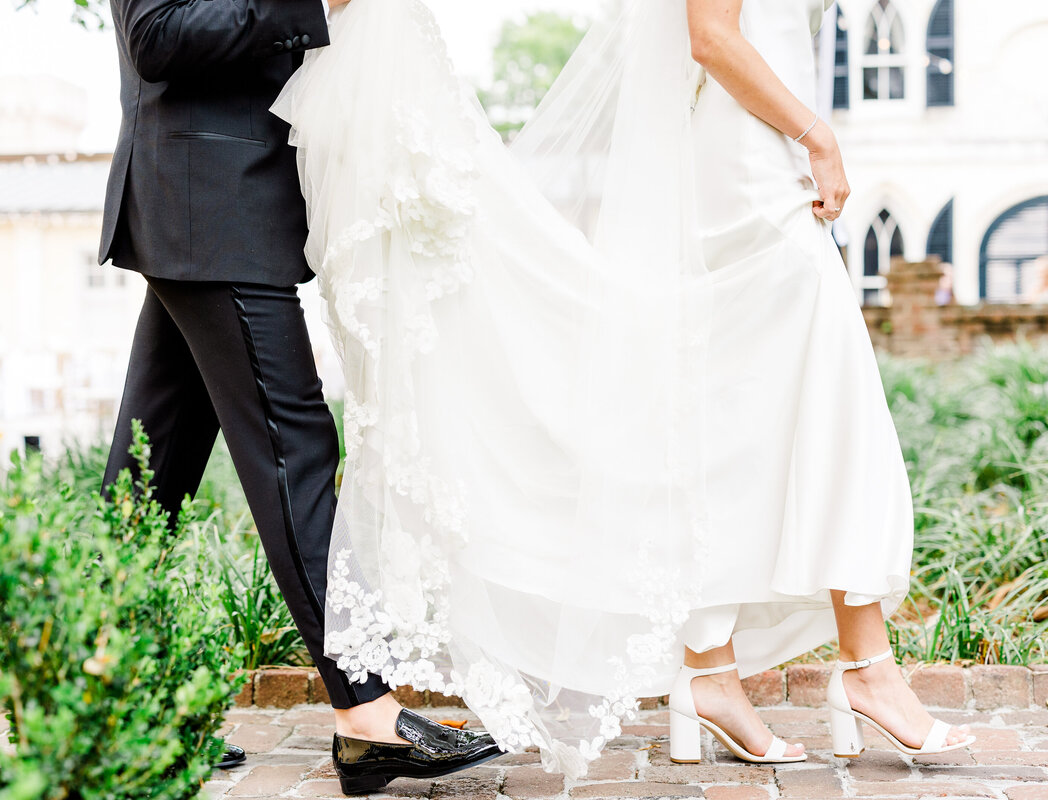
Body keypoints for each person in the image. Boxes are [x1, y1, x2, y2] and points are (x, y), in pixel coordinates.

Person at [272, 0, 975, 782]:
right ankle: (861, 661)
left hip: (762, 153)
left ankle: (715, 668)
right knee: (821, 399)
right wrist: (819, 134)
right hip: (755, 165)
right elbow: (711, 36)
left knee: (744, 416)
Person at [98, 0, 501, 786]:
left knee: (148, 480)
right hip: (210, 206)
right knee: (296, 451)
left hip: (212, 204)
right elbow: (154, 36)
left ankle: (106, 707)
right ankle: (366, 713)